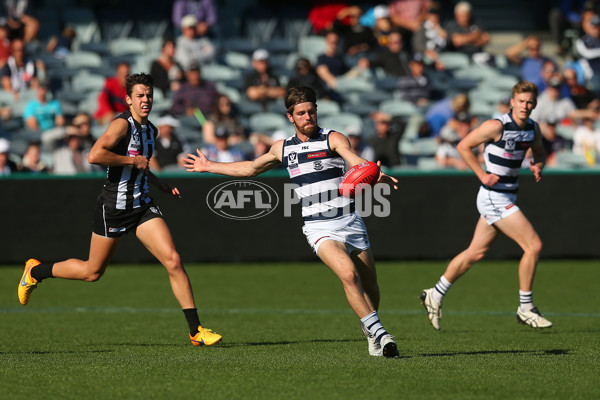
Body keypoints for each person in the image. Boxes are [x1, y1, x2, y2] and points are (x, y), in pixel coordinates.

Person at [184, 86, 400, 358]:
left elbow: (355, 161)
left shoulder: (333, 138)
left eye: (311, 111)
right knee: (348, 275)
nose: (308, 116)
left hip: (350, 220)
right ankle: (381, 334)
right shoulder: (282, 148)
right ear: (290, 117)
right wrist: (210, 166)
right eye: (301, 113)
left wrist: (373, 173)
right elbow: (250, 168)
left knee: (371, 288)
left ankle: (369, 328)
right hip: (319, 228)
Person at [18, 72, 222, 347]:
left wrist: (160, 184)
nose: (145, 100)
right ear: (128, 100)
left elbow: (141, 167)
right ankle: (36, 271)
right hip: (114, 207)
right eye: (139, 96)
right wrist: (131, 159)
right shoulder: (121, 125)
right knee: (93, 272)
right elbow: (95, 155)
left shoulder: (151, 130)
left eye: (148, 95)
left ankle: (195, 330)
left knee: (173, 260)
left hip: (143, 206)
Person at [419, 81, 553, 331]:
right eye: (521, 101)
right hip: (493, 195)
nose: (525, 106)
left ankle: (434, 294)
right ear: (512, 102)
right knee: (533, 245)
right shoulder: (496, 126)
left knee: (475, 253)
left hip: (508, 196)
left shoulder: (533, 128)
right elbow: (463, 146)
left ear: (534, 104)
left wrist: (538, 165)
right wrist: (481, 174)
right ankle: (526, 308)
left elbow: (540, 152)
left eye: (530, 102)